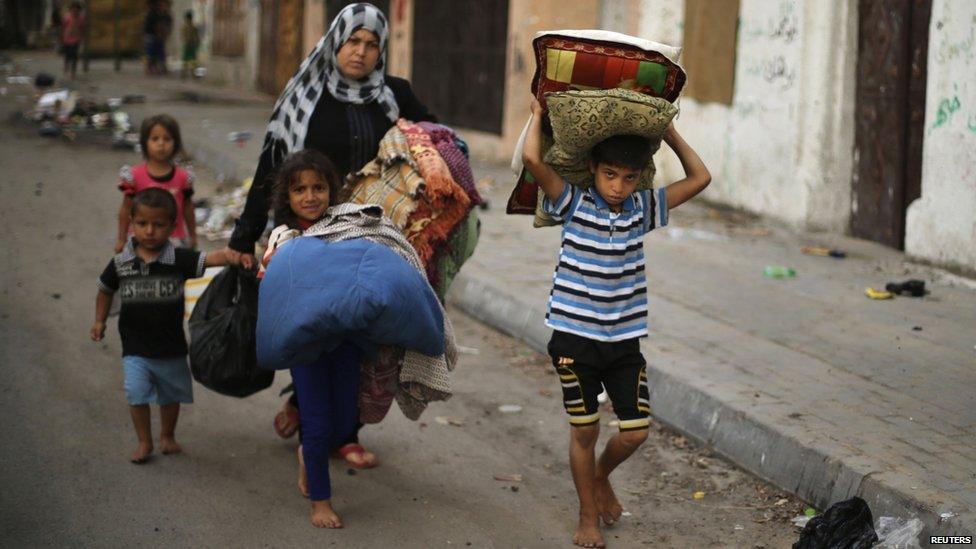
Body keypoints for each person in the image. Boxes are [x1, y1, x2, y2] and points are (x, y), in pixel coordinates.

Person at [224, 2, 436, 469]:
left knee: (362, 333)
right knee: (317, 325)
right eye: (352, 42)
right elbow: (272, 165)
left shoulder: (394, 94)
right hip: (310, 232)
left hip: (368, 232)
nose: (360, 53)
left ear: (381, 50)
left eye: (371, 44)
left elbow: (433, 140)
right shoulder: (307, 94)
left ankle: (344, 431)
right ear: (335, 43)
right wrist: (244, 237)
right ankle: (305, 403)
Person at [521, 97, 711, 548]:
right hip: (573, 339)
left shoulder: (642, 210)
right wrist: (537, 116)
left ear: (639, 178)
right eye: (610, 175)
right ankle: (587, 516)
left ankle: (601, 477)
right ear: (593, 169)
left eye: (629, 177)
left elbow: (700, 178)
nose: (619, 187)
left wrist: (669, 135)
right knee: (585, 429)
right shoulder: (571, 202)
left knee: (635, 432)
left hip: (624, 342)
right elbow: (532, 158)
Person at [91, 188, 230, 463]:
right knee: (136, 394)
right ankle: (144, 441)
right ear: (132, 222)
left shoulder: (178, 259)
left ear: (172, 226)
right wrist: (99, 320)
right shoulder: (122, 263)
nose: (150, 231)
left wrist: (238, 254)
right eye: (142, 224)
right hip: (135, 347)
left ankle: (167, 436)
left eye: (158, 224)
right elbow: (105, 289)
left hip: (171, 347)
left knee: (170, 395)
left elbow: (212, 259)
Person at [260, 149, 360, 528]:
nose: (310, 196)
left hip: (346, 340)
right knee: (317, 425)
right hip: (308, 347)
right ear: (287, 198)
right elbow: (272, 276)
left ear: (331, 191)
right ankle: (320, 499)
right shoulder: (285, 237)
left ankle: (309, 454)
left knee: (346, 419)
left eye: (318, 187)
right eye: (299, 189)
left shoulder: (345, 228)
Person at [116, 114, 197, 252]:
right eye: (155, 139)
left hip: (174, 242)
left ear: (175, 143)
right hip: (141, 241)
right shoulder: (134, 176)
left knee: (172, 274)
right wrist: (121, 239)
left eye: (167, 139)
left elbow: (188, 209)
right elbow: (126, 209)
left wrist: (193, 236)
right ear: (145, 143)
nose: (161, 144)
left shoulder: (183, 177)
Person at [144, 0, 172, 75]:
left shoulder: (164, 15)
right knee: (152, 53)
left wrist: (165, 34)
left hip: (158, 36)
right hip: (152, 36)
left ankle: (158, 68)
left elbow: (167, 26)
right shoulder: (153, 14)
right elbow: (155, 26)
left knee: (158, 53)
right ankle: (152, 68)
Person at [60, 1, 85, 80]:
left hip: (76, 40)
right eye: (73, 9)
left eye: (77, 10)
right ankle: (66, 67)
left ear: (79, 10)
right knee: (67, 56)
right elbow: (63, 28)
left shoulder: (81, 18)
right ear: (71, 10)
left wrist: (81, 38)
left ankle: (73, 73)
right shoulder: (67, 17)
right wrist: (62, 39)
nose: (75, 11)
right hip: (67, 39)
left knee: (74, 56)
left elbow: (82, 29)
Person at [180, 10, 200, 80]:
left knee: (186, 60)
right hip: (191, 45)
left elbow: (183, 36)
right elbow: (196, 37)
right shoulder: (193, 27)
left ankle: (184, 75)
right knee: (193, 60)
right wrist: (197, 43)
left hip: (188, 44)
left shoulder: (185, 27)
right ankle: (193, 75)